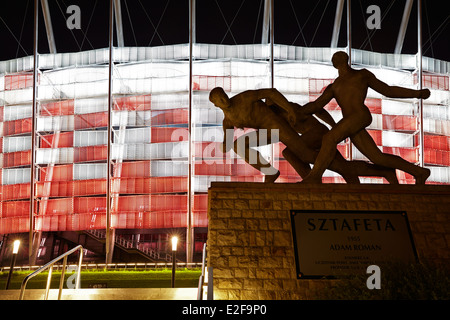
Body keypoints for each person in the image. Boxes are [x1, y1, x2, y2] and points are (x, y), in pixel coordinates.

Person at [209, 86, 398, 184]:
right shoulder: (228, 119)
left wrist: (290, 109)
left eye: (223, 95)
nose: (223, 100)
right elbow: (227, 137)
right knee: (240, 145)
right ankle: (271, 172)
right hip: (272, 132)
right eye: (219, 100)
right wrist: (224, 145)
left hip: (286, 129)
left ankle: (378, 171)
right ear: (216, 105)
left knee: (311, 158)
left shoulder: (245, 99)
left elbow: (271, 92)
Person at [300, 51, 431, 184]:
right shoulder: (334, 86)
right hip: (351, 123)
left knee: (329, 138)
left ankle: (315, 176)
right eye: (335, 58)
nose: (336, 59)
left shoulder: (361, 75)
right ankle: (419, 172)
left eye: (338, 57)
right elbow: (316, 105)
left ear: (345, 59)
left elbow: (388, 90)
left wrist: (417, 93)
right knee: (377, 158)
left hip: (359, 115)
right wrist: (296, 111)